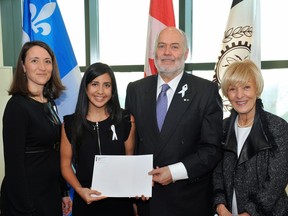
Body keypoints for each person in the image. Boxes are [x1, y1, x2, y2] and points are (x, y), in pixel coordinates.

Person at [125, 27, 223, 216]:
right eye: (162, 46)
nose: (167, 52)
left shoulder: (206, 91)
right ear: (155, 53)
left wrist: (174, 172)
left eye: (174, 47)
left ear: (186, 54)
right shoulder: (135, 90)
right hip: (147, 202)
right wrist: (133, 184)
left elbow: (212, 150)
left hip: (188, 202)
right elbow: (131, 144)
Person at [0, 41, 72, 216]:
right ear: (23, 67)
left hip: (50, 194)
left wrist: (63, 192)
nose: (42, 67)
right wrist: (25, 209)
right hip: (26, 201)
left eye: (47, 61)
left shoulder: (50, 103)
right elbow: (14, 166)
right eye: (34, 61)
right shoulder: (17, 106)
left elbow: (55, 151)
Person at [213, 59, 288, 216]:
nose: (240, 95)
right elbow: (217, 172)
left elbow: (277, 180)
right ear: (227, 93)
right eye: (233, 89)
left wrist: (250, 213)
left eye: (246, 87)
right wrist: (220, 206)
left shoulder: (278, 127)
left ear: (257, 89)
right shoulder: (222, 128)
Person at [60, 62, 136, 215]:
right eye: (95, 84)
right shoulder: (70, 124)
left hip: (120, 204)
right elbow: (65, 165)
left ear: (113, 89)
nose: (101, 91)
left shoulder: (126, 120)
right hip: (86, 202)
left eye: (107, 85)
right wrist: (80, 190)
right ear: (86, 87)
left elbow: (130, 160)